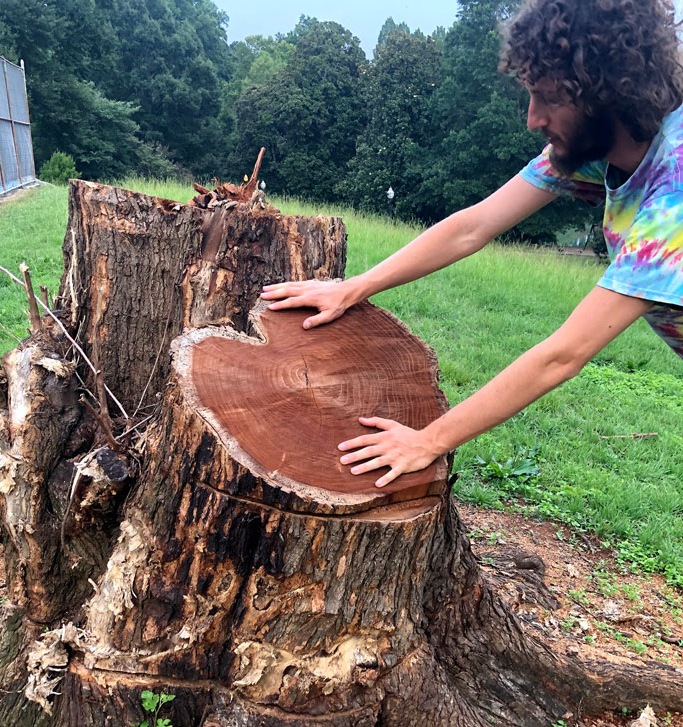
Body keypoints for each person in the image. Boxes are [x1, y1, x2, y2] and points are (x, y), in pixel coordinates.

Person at [261, 0, 683, 489]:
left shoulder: (674, 187)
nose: (532, 119)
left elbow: (563, 355)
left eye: (547, 98)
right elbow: (474, 226)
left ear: (603, 94)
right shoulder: (606, 146)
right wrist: (354, 287)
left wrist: (428, 441)